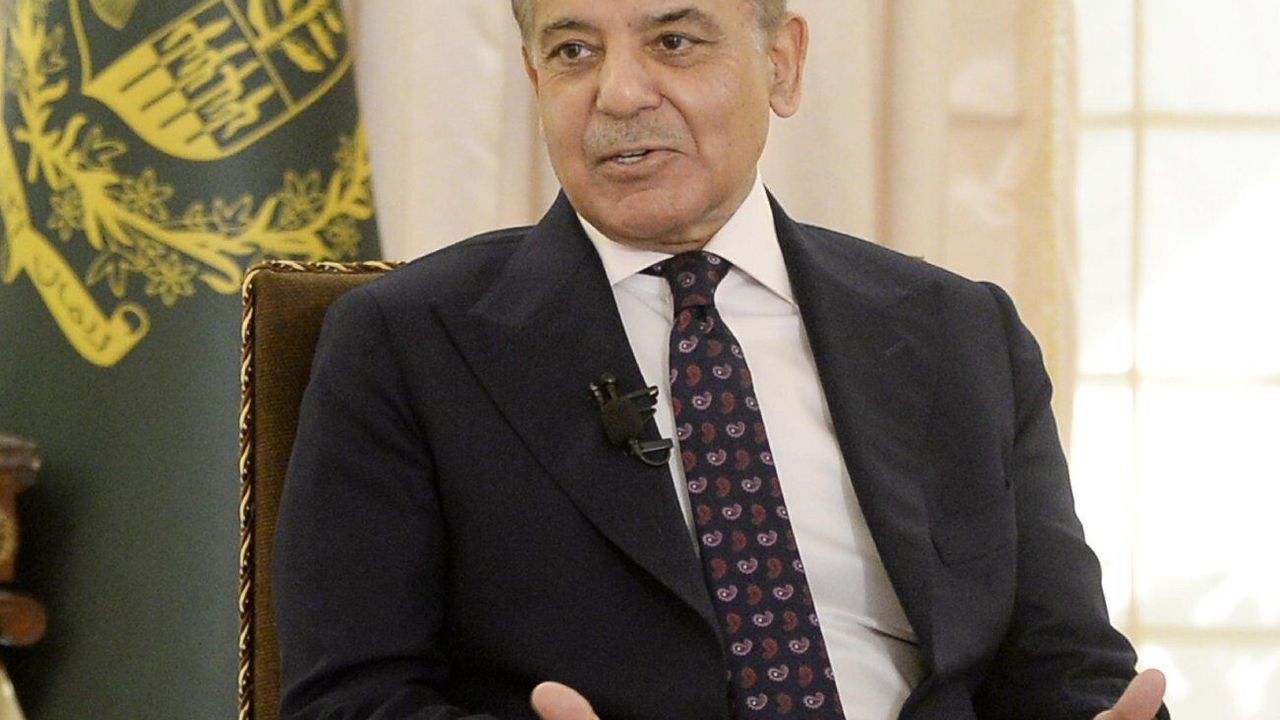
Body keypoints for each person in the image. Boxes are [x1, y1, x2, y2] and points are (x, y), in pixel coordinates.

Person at [273, 1, 1170, 719]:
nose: (620, 93)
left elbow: (1064, 667)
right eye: (575, 51)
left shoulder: (959, 332)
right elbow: (349, 699)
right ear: (534, 77)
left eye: (674, 41)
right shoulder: (407, 342)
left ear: (782, 63)